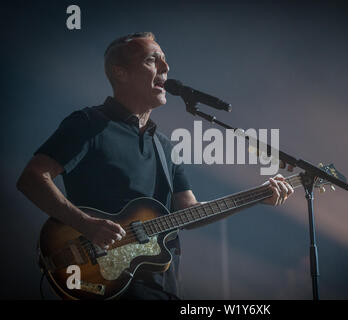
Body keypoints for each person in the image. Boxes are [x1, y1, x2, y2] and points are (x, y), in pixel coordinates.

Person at [16, 32, 294, 300]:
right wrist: (86, 225)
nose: (166, 66)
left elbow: (190, 213)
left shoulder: (164, 146)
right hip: (104, 281)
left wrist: (257, 197)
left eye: (165, 59)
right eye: (153, 59)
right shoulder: (89, 123)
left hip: (164, 284)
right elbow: (32, 178)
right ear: (120, 72)